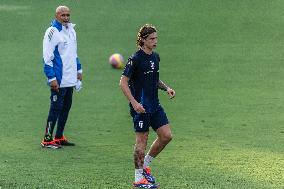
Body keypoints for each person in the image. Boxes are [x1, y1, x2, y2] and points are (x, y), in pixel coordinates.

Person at [119, 24, 176, 188]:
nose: (155, 41)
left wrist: (167, 88)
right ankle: (138, 179)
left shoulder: (155, 57)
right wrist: (134, 103)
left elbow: (154, 79)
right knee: (141, 141)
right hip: (141, 107)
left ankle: (145, 166)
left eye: (156, 38)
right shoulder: (135, 59)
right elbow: (123, 83)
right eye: (151, 39)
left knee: (166, 136)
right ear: (143, 40)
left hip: (155, 105)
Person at [41, 5, 82, 149]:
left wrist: (79, 70)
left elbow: (73, 53)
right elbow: (47, 57)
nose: (66, 18)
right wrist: (51, 78)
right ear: (56, 16)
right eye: (62, 15)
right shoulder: (52, 32)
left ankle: (58, 137)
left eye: (67, 15)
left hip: (70, 79)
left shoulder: (71, 30)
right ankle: (47, 139)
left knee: (66, 108)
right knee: (55, 108)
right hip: (58, 79)